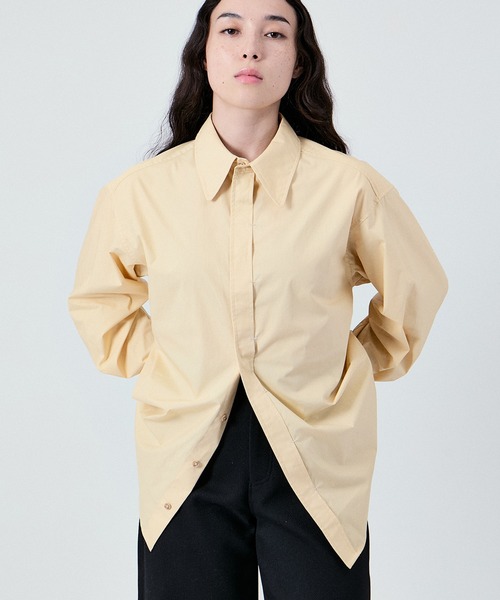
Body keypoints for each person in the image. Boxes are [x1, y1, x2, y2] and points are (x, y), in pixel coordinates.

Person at [68, 0, 448, 598]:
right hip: (186, 458)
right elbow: (100, 301)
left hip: (313, 453)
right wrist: (170, 364)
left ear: (298, 62)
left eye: (275, 33)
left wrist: (350, 363)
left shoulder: (350, 188)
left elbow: (416, 287)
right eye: (231, 30)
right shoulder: (139, 193)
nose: (251, 47)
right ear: (203, 54)